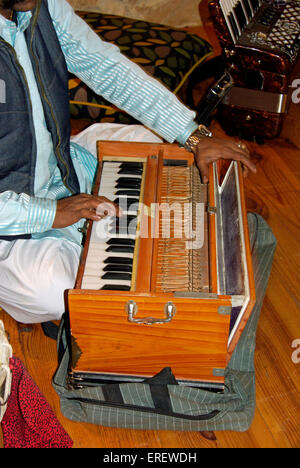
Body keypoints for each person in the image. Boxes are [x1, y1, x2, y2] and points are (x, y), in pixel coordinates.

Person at [0, 0, 256, 325]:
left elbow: (102, 65)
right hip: (10, 224)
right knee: (51, 290)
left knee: (155, 146)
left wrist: (193, 135)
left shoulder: (40, 5)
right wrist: (51, 212)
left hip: (64, 167)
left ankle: (98, 247)